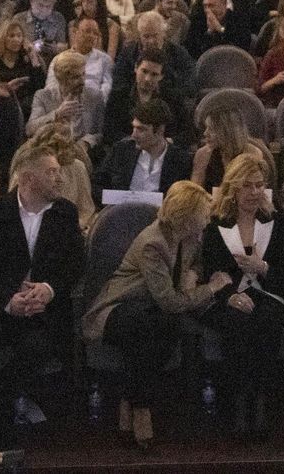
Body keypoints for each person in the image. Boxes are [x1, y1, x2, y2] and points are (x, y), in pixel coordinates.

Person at [82, 181, 228, 451]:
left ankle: (129, 400)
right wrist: (210, 288)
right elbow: (169, 301)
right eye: (203, 214)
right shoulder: (154, 243)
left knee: (162, 328)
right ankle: (141, 409)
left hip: (151, 310)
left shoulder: (188, 237)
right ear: (187, 215)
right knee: (149, 330)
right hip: (119, 308)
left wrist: (193, 274)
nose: (207, 220)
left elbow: (192, 263)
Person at [0, 140, 86, 445]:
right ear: (28, 178)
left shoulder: (65, 213)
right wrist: (8, 300)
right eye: (52, 172)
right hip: (0, 304)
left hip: (44, 309)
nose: (59, 178)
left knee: (37, 345)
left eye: (59, 172)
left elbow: (75, 264)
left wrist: (48, 289)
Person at [200, 153, 284, 438]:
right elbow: (212, 272)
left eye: (259, 185)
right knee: (238, 319)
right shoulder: (216, 225)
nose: (254, 192)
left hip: (272, 294)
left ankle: (262, 399)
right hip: (227, 297)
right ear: (233, 189)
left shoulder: (278, 223)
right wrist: (229, 295)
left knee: (264, 319)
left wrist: (262, 268)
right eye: (247, 186)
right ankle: (240, 401)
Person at [96, 98, 193, 195]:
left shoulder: (180, 160)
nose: (134, 135)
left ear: (160, 130)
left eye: (141, 129)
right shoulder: (121, 151)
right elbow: (98, 184)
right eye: (133, 127)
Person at [28, 49, 105, 146]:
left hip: (84, 151)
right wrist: (57, 114)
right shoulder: (43, 96)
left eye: (83, 74)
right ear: (61, 79)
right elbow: (30, 129)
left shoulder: (95, 96)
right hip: (51, 149)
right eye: (76, 77)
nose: (82, 81)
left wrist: (86, 142)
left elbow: (101, 132)